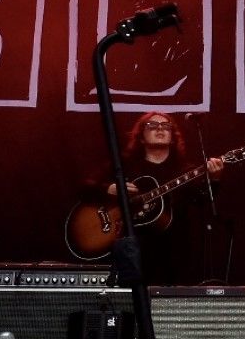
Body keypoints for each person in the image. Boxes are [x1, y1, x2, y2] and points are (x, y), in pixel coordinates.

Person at [83, 111, 224, 287]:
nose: (160, 129)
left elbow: (202, 201)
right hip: (131, 252)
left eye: (166, 126)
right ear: (141, 136)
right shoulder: (125, 166)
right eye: (152, 125)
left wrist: (215, 179)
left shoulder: (184, 170)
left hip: (173, 254)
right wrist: (109, 188)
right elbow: (85, 187)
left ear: (172, 137)